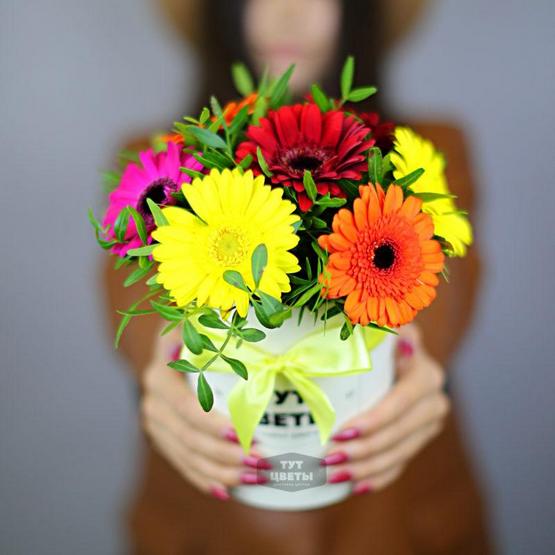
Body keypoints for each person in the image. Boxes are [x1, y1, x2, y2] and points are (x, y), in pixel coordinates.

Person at [103, 0, 495, 552]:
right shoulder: (152, 162)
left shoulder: (429, 152)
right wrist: (166, 358)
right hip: (204, 531)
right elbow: (134, 288)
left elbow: (446, 280)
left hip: (405, 526)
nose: (287, 14)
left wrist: (415, 352)